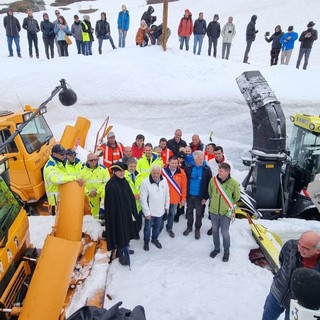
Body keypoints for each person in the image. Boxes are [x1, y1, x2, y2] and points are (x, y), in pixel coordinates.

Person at [262, 230, 320, 320]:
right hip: (277, 293)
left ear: (317, 250)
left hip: (297, 303)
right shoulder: (290, 246)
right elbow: (282, 260)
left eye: (306, 248)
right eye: (299, 243)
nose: (300, 248)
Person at [104, 161, 138, 266]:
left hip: (126, 213)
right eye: (119, 171)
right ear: (114, 171)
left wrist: (131, 209)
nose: (122, 173)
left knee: (126, 231)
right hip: (117, 215)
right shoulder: (111, 185)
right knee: (120, 233)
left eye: (123, 171)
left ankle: (125, 247)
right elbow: (110, 204)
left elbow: (129, 196)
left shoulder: (124, 181)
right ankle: (120, 253)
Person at [208, 163, 240, 262]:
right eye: (218, 170)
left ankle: (226, 251)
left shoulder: (233, 183)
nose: (219, 172)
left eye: (221, 171)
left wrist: (226, 205)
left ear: (227, 172)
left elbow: (236, 197)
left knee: (225, 233)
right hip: (213, 211)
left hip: (226, 213)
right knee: (215, 230)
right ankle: (216, 248)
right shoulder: (213, 180)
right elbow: (210, 192)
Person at [43, 144, 83, 215]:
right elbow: (56, 179)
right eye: (62, 154)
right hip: (56, 202)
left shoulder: (61, 162)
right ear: (54, 154)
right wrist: (74, 178)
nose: (64, 156)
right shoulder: (50, 167)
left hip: (64, 197)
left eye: (65, 154)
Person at [183, 151, 212, 239]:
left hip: (200, 197)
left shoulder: (206, 169)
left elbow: (209, 184)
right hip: (190, 195)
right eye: (199, 159)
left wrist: (205, 197)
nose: (202, 160)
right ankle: (189, 227)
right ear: (194, 159)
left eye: (202, 158)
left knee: (199, 214)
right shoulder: (188, 168)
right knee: (189, 212)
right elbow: (184, 182)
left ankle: (197, 229)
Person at [140, 165, 169, 251]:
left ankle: (154, 239)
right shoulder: (145, 182)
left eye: (157, 173)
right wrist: (147, 213)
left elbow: (167, 194)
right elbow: (143, 199)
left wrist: (166, 207)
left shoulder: (164, 181)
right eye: (154, 173)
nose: (156, 175)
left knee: (157, 227)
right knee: (147, 229)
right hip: (150, 212)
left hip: (160, 211)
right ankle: (146, 242)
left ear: (160, 173)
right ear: (151, 172)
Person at [161, 156, 187, 238]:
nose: (174, 165)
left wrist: (183, 198)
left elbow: (184, 186)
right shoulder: (163, 172)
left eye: (176, 163)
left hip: (175, 198)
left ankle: (169, 228)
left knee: (172, 214)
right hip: (163, 198)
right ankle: (159, 227)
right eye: (172, 163)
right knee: (161, 213)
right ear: (168, 162)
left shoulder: (182, 172)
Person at [80, 153, 110, 219]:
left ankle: (103, 213)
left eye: (95, 160)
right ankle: (97, 223)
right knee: (94, 211)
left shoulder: (103, 169)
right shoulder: (82, 170)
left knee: (106, 195)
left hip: (101, 191)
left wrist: (97, 191)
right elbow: (80, 185)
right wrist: (88, 192)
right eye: (91, 160)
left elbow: (106, 182)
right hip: (90, 194)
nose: (93, 161)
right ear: (87, 161)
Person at [125, 157, 144, 237]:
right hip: (129, 203)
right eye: (131, 166)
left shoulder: (139, 175)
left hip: (139, 204)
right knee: (130, 220)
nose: (133, 168)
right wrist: (132, 196)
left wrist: (140, 195)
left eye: (134, 166)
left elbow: (143, 187)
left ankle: (137, 232)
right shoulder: (124, 176)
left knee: (138, 220)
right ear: (127, 166)